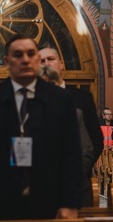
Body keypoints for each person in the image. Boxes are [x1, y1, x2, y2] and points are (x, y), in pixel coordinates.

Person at [0, 34, 84, 220]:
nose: (25, 60)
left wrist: (70, 203)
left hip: (50, 202)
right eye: (18, 55)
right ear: (6, 61)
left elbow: (72, 156)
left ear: (38, 59)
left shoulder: (61, 100)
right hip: (0, 204)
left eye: (31, 54)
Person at [38, 65, 95, 207]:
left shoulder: (75, 115)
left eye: (51, 85)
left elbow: (86, 153)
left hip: (70, 187)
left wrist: (67, 176)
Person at [39, 45, 104, 163]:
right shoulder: (30, 99)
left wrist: (77, 171)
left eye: (51, 59)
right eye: (41, 61)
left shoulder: (83, 98)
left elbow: (95, 139)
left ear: (61, 64)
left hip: (76, 175)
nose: (46, 63)